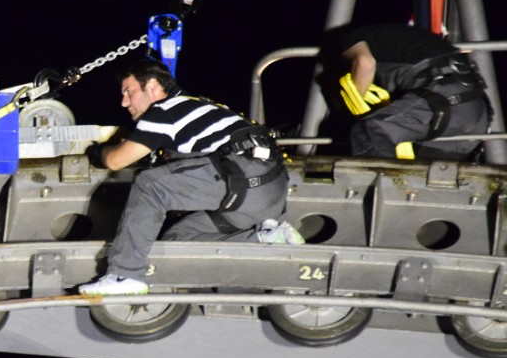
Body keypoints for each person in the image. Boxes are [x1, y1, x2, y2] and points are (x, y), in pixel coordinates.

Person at [78, 58, 301, 297]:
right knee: (179, 240)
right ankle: (268, 239)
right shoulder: (201, 106)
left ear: (152, 86)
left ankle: (125, 274)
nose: (124, 102)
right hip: (268, 192)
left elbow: (117, 161)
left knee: (150, 184)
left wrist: (98, 151)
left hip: (244, 179)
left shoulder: (166, 110)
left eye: (128, 92)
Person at [318, 23, 491, 160]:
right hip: (476, 112)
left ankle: (382, 189)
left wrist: (351, 108)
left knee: (369, 130)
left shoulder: (349, 39)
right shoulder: (397, 40)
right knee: (427, 176)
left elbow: (364, 63)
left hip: (444, 100)